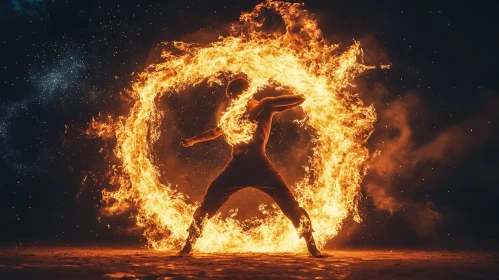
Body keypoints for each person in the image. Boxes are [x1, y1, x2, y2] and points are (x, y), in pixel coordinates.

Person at [179, 77, 326, 257]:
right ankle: (187, 247)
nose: (233, 99)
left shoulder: (265, 105)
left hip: (260, 165)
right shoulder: (232, 115)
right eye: (230, 96)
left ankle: (313, 248)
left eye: (235, 95)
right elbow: (216, 132)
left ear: (246, 92)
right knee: (208, 204)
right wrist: (193, 140)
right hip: (235, 168)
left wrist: (307, 90)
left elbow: (296, 100)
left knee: (290, 206)